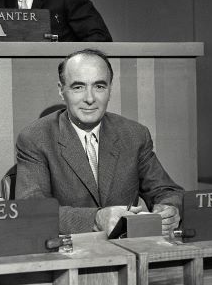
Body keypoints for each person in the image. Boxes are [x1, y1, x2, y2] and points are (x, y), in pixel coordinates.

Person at [15, 48, 182, 236]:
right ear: (61, 91)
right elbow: (32, 210)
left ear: (110, 89)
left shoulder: (134, 134)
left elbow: (167, 191)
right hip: (67, 252)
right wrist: (96, 219)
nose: (90, 98)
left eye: (99, 86)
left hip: (128, 250)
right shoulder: (35, 138)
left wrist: (169, 209)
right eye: (78, 87)